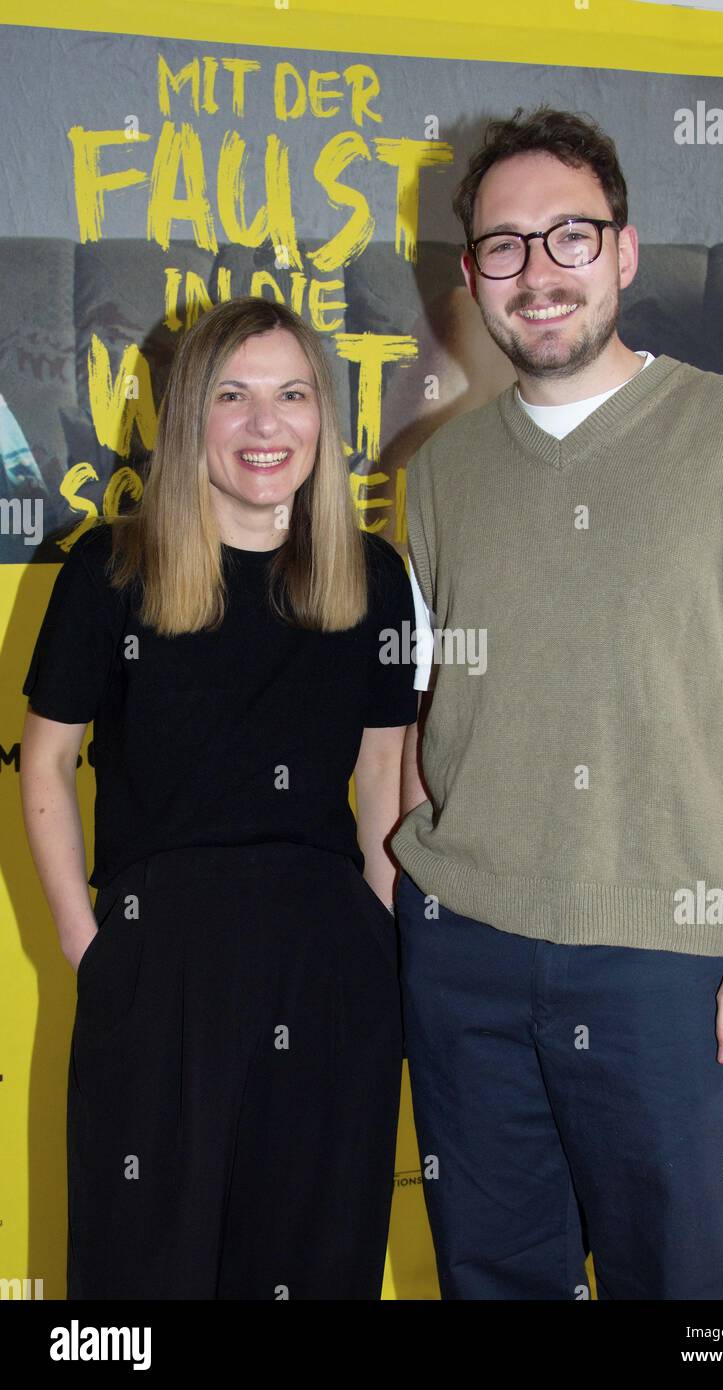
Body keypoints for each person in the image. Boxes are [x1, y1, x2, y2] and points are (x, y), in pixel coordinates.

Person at [392, 107, 723, 1300]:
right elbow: (420, 701)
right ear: (472, 276)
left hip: (669, 961)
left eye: (569, 236)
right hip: (467, 943)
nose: (537, 272)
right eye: (504, 246)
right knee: (492, 1277)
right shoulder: (438, 473)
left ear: (624, 250)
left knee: (691, 1290)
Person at [19, 295, 417, 1300]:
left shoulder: (371, 572)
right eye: (232, 396)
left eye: (290, 395)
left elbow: (383, 769)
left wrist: (380, 932)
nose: (263, 424)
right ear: (189, 415)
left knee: (312, 1252)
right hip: (158, 956)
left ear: (323, 418)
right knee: (138, 1261)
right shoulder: (109, 570)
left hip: (327, 958)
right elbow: (46, 764)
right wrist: (89, 942)